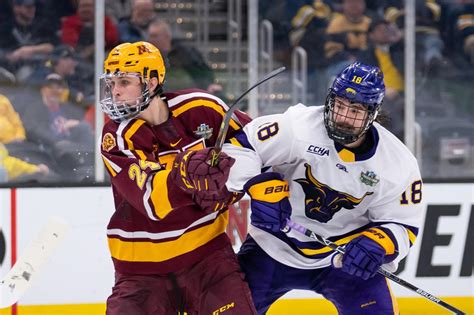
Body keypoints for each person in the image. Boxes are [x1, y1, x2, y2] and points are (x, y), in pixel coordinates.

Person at [222, 62, 423, 314]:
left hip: (341, 259)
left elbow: (404, 224)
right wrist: (259, 185)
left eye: (356, 109)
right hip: (272, 246)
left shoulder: (397, 163)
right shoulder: (299, 126)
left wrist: (379, 242)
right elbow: (240, 147)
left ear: (374, 112)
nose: (343, 118)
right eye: (339, 105)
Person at [99, 41, 257, 314]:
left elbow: (257, 142)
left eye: (124, 82)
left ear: (150, 82)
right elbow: (151, 202)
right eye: (112, 84)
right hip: (142, 272)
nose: (115, 91)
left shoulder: (201, 108)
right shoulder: (117, 137)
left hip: (208, 259)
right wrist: (186, 173)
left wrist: (230, 187)